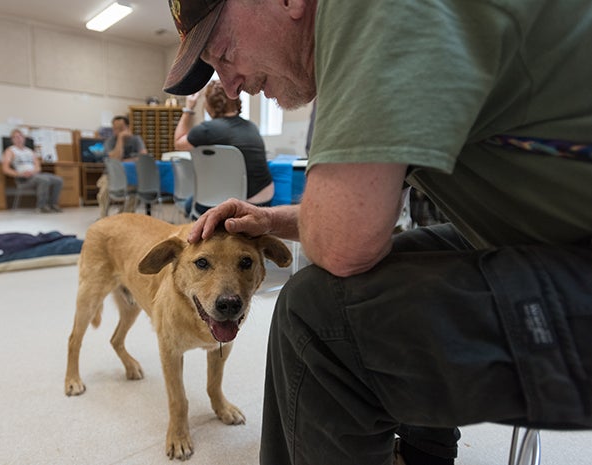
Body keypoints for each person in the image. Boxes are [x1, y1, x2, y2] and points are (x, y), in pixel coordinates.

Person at [162, 1, 592, 465]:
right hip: (545, 236)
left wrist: (309, 226)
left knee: (316, 315)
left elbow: (344, 244)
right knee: (394, 268)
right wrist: (269, 221)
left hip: (571, 258)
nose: (229, 85)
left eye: (224, 54)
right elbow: (360, 212)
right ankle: (424, 455)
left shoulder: (370, 10)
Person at [174, 79, 274, 217]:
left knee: (189, 203)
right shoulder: (252, 127)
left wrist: (189, 108)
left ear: (209, 104)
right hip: (262, 202)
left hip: (234, 205)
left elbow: (178, 142)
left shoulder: (207, 129)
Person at [1, 128, 63, 213]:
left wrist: (32, 172)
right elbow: (5, 169)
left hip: (35, 175)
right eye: (15, 137)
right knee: (44, 180)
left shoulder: (30, 151)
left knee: (58, 180)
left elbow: (38, 167)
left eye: (20, 137)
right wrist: (20, 174)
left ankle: (53, 204)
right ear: (12, 140)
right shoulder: (10, 151)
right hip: (23, 178)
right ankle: (41, 207)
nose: (18, 139)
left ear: (24, 138)